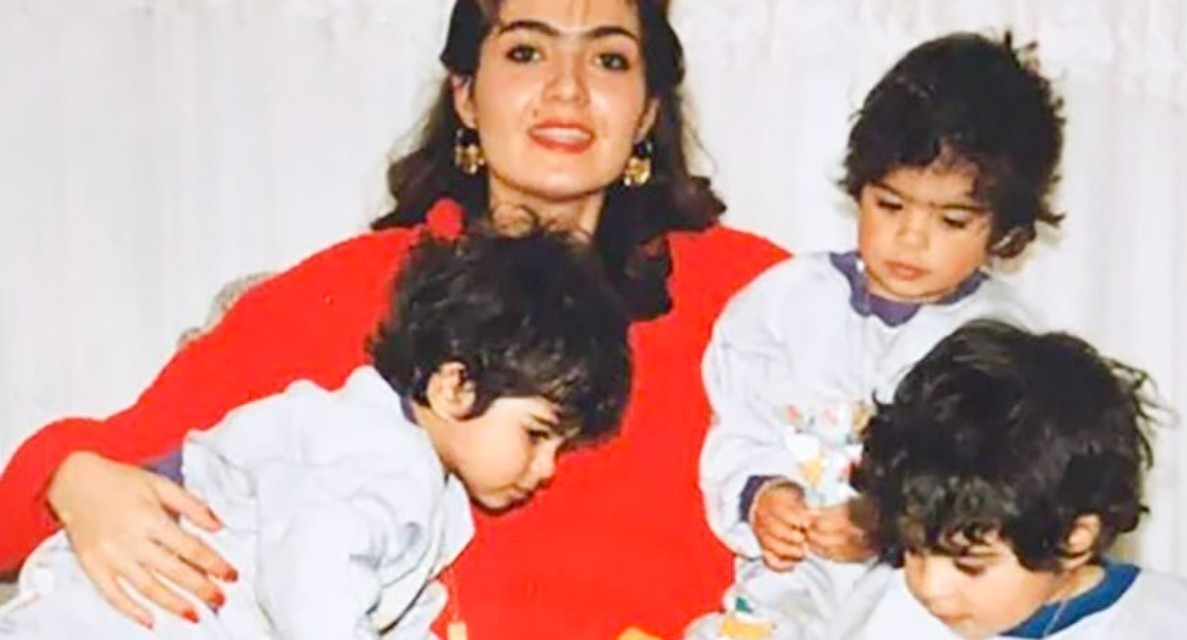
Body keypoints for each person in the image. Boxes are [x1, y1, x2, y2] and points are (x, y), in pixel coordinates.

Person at [0, 1, 788, 638]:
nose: (567, 89)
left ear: (648, 112)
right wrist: (72, 482)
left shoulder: (757, 296)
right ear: (465, 95)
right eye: (525, 51)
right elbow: (57, 485)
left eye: (609, 59)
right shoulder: (352, 290)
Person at [0, 227, 632, 639]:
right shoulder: (382, 453)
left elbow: (383, 600)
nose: (546, 468)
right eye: (537, 435)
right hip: (111, 616)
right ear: (454, 387)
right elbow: (312, 565)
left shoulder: (422, 483)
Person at [688, 32, 1064, 639]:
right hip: (790, 583)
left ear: (1005, 232)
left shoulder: (1006, 345)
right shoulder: (784, 304)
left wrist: (889, 526)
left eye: (951, 220)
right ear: (859, 187)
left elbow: (1007, 501)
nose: (911, 239)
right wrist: (761, 494)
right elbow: (738, 424)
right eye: (890, 206)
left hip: (924, 601)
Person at [833, 319, 1187, 639]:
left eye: (970, 565)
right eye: (913, 549)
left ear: (1074, 539)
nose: (930, 586)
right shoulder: (883, 615)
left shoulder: (1173, 623)